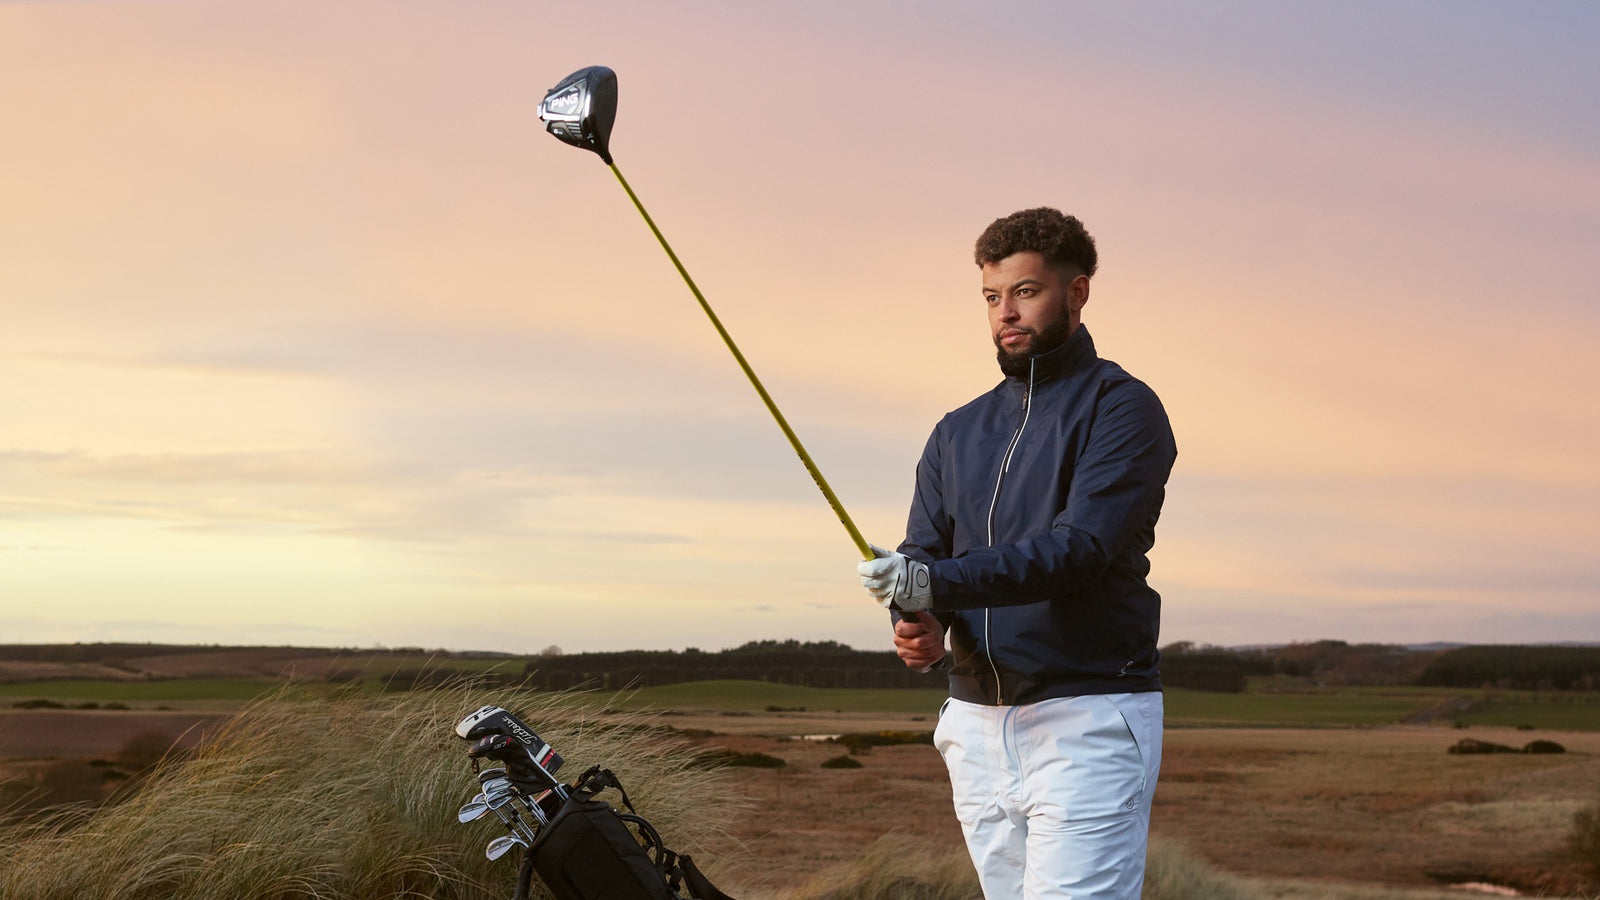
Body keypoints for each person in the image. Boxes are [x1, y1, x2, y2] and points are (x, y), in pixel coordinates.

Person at [858, 207, 1177, 899]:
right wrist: (919, 619)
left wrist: (929, 581)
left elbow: (1078, 551)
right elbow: (924, 552)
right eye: (992, 298)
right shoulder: (956, 431)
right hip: (974, 724)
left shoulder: (1123, 409)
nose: (1006, 312)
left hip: (1087, 713)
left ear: (1077, 292)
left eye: (1026, 292)